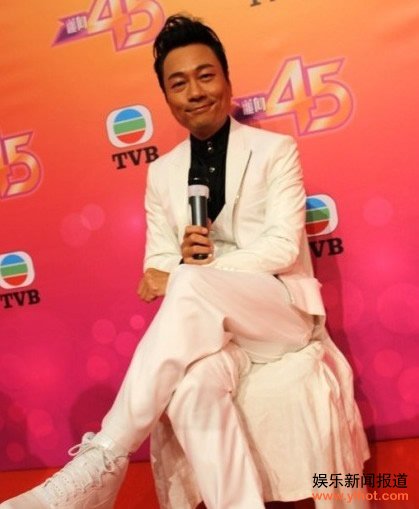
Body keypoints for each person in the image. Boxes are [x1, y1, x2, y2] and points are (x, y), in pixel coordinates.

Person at [1, 14, 363, 509]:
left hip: (277, 316)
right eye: (179, 83)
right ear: (167, 97)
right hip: (213, 334)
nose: (194, 92)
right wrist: (181, 268)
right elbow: (155, 267)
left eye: (205, 75)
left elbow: (281, 247)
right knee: (191, 388)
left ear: (227, 80)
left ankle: (103, 456)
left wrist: (195, 272)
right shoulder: (161, 174)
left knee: (190, 282)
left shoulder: (275, 150)